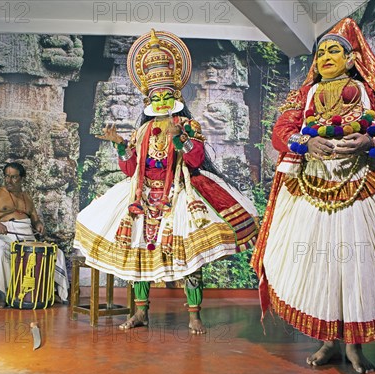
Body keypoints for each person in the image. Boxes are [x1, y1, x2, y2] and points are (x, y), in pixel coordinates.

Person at [249, 18, 375, 374]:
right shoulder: (304, 95)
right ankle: (328, 342)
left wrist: (370, 140)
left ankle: (355, 347)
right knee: (320, 264)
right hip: (311, 187)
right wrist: (306, 141)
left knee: (360, 264)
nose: (326, 56)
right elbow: (281, 131)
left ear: (350, 60)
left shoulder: (370, 90)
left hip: (366, 185)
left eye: (335, 51)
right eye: (321, 52)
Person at [74, 29, 259, 333]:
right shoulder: (141, 132)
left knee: (190, 261)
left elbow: (195, 160)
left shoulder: (187, 124)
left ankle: (194, 315)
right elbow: (130, 168)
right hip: (142, 197)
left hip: (178, 194)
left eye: (166, 96)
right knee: (139, 257)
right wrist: (120, 144)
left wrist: (180, 140)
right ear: (147, 99)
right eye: (155, 97)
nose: (160, 101)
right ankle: (141, 312)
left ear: (177, 96)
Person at [0, 161, 69, 306]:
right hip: (4, 234)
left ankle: (54, 292)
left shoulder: (27, 197)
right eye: (7, 176)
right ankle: (1, 294)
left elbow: (35, 219)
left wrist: (39, 225)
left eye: (14, 177)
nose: (9, 181)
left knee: (57, 253)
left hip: (27, 235)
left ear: (22, 178)